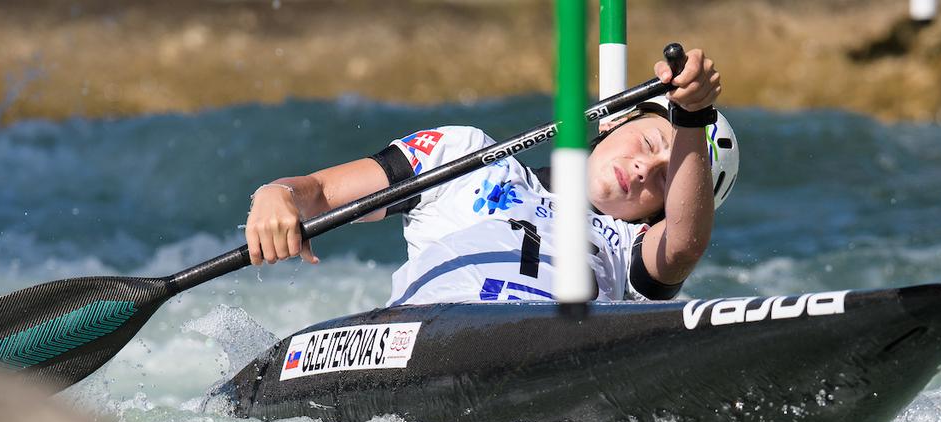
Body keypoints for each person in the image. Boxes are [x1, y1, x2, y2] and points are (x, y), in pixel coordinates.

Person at [244, 48, 737, 305]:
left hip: (562, 348)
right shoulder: (464, 153)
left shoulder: (633, 247)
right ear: (612, 123)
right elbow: (322, 193)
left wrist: (692, 119)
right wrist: (279, 194)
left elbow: (685, 241)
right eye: (650, 145)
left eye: (666, 181)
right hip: (433, 329)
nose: (643, 168)